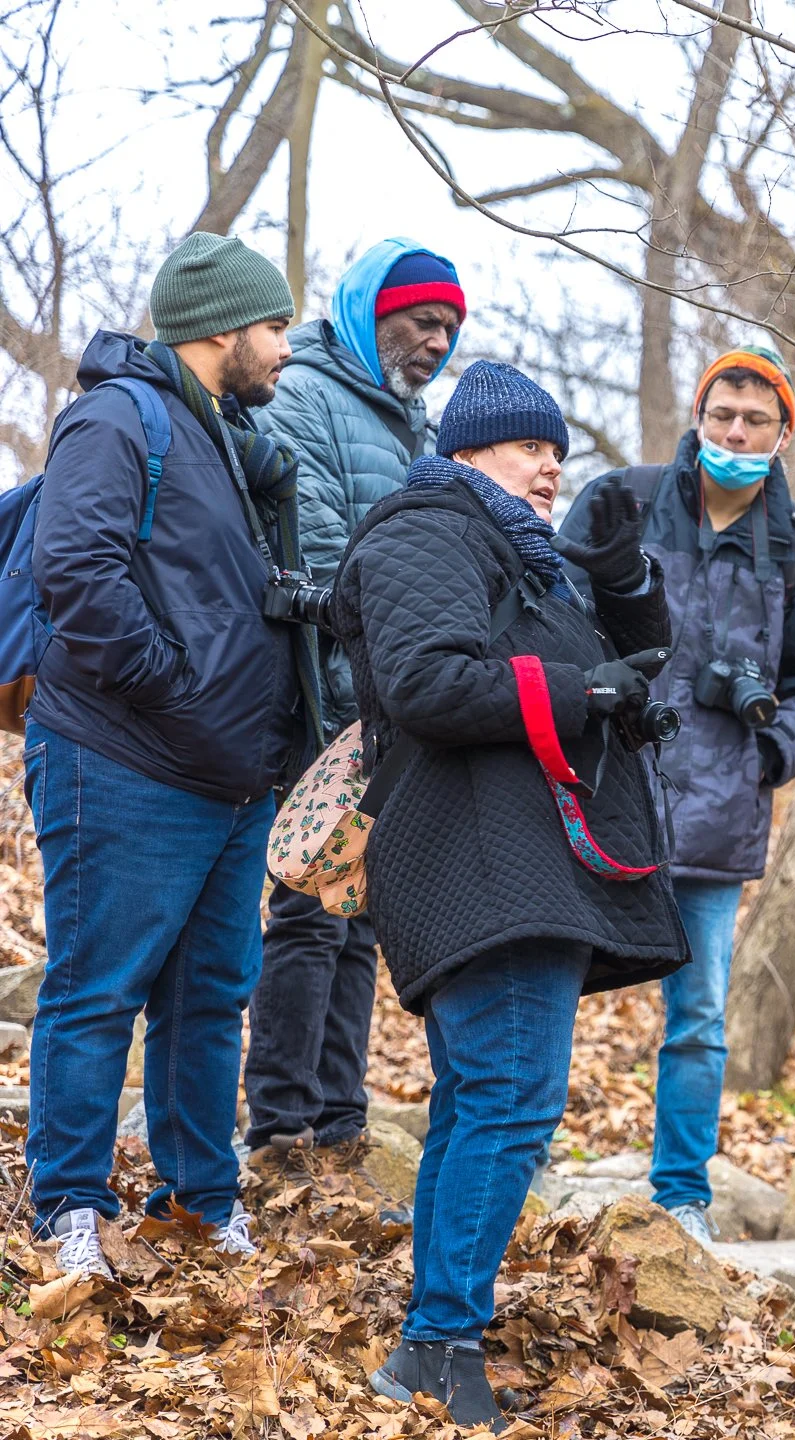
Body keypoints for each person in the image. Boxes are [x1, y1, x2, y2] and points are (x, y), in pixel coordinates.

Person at [333, 362, 687, 1430]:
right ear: (468, 451)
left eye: (559, 452)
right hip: (481, 861)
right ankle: (437, 1345)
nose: (550, 467)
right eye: (531, 447)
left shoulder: (519, 557)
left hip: (518, 860)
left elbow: (633, 663)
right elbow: (427, 681)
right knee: (508, 1102)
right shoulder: (425, 530)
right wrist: (583, 694)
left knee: (486, 1103)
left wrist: (618, 578)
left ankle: (436, 1343)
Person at [26, 233, 322, 1274]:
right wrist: (173, 687)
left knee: (207, 1001)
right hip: (122, 756)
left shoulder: (228, 438)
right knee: (99, 987)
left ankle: (201, 1202)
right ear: (219, 327)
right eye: (277, 326)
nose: (287, 348)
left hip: (230, 778)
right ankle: (67, 1207)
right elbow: (79, 569)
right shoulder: (119, 416)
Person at [560, 343, 795, 1245]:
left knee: (697, 1017)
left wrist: (764, 754)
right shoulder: (623, 499)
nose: (735, 432)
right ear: (699, 415)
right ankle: (523, 1154)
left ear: (782, 432)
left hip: (718, 810)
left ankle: (682, 1196)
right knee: (544, 981)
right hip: (599, 786)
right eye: (722, 415)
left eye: (755, 420)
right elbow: (551, 609)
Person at [245, 240, 464, 1181]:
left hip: (381, 710)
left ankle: (339, 1117)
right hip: (315, 698)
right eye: (422, 321)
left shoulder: (414, 420)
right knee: (306, 909)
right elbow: (325, 548)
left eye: (449, 329)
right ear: (373, 311)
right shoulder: (308, 395)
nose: (436, 342)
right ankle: (280, 1123)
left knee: (360, 915)